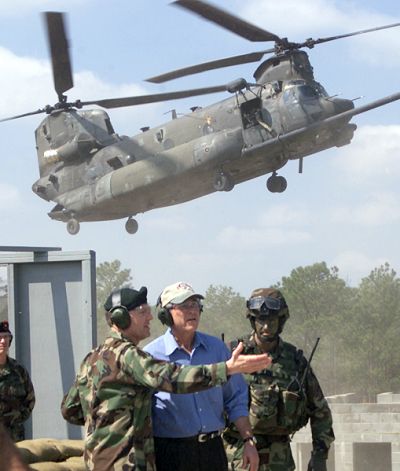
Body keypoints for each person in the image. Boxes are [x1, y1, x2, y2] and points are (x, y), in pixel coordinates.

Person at [61, 286, 271, 471]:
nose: (149, 318)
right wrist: (225, 369)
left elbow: (70, 408)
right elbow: (173, 378)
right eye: (142, 312)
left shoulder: (92, 357)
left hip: (100, 461)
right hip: (127, 462)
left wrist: (108, 424)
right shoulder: (130, 356)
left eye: (195, 305)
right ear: (121, 317)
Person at [144, 281, 259, 471]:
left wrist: (248, 440)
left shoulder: (217, 350)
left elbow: (236, 398)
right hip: (170, 454)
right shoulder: (150, 356)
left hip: (212, 451)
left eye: (196, 305)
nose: (193, 311)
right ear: (166, 314)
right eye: (184, 306)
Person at [223, 288, 334, 471]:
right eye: (261, 320)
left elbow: (320, 411)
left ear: (281, 321)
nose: (266, 327)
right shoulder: (232, 355)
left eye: (272, 321)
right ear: (253, 320)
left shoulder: (295, 362)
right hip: (237, 457)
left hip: (279, 461)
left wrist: (320, 456)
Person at [0, 320, 35, 442]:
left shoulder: (18, 370)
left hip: (15, 438)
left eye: (6, 337)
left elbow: (30, 399)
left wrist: (15, 419)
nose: (3, 341)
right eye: (0, 337)